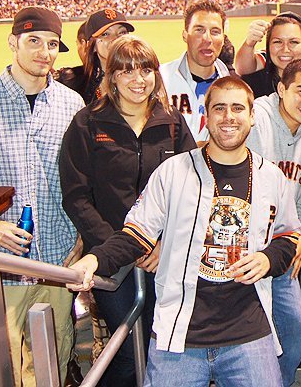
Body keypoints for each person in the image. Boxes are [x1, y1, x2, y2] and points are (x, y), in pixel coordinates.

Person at [68, 76, 301, 387]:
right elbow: (135, 234)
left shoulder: (271, 177)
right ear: (206, 116)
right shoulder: (173, 171)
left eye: (237, 108)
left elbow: (288, 236)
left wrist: (268, 259)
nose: (229, 117)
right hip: (180, 331)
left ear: (252, 116)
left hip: (248, 330)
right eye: (219, 108)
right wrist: (95, 260)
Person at [60, 35, 195, 386]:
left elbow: (190, 191)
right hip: (111, 257)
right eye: (127, 71)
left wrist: (162, 242)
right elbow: (76, 196)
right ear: (112, 77)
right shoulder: (87, 123)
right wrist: (120, 247)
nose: (138, 79)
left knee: (159, 344)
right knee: (125, 350)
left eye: (146, 70)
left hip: (162, 256)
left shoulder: (172, 123)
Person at [0, 7, 85, 386]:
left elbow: (83, 180)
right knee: (5, 367)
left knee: (52, 363)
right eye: (34, 41)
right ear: (13, 43)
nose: (44, 52)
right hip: (2, 265)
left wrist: (82, 237)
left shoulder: (71, 104)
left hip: (56, 259)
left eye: (52, 44)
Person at [245, 59, 301, 385]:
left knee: (293, 334)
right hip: (244, 248)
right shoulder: (256, 119)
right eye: (300, 91)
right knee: (249, 343)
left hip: (282, 247)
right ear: (281, 89)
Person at [160, 1, 231, 143]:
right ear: (185, 35)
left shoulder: (232, 87)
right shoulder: (160, 79)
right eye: (199, 30)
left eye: (215, 32)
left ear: (223, 39)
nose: (207, 39)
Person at [58, 8, 135, 104]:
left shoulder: (144, 77)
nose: (116, 39)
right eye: (105, 34)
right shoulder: (72, 83)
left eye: (122, 33)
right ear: (92, 45)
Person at [241, 12, 301, 98]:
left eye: (293, 42)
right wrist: (249, 43)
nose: (285, 50)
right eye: (277, 42)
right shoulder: (251, 88)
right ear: (268, 47)